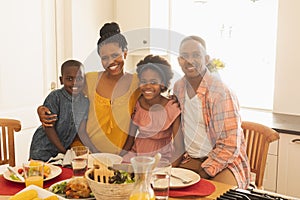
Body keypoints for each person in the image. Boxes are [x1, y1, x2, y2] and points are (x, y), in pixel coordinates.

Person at [37, 22, 140, 154]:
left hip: (118, 155)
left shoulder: (137, 82)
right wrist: (41, 109)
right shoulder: (90, 79)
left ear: (125, 53)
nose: (110, 62)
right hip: (86, 152)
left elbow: (158, 96)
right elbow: (64, 93)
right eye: (104, 58)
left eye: (115, 55)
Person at [173, 35, 250, 188]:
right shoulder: (178, 87)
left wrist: (203, 174)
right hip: (192, 159)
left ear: (206, 58)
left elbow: (229, 145)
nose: (189, 60)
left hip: (224, 162)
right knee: (169, 191)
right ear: (179, 60)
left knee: (216, 194)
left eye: (196, 55)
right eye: (184, 56)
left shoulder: (220, 92)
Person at [121, 54, 183, 164]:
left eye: (154, 82)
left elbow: (179, 147)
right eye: (144, 81)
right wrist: (119, 158)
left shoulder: (172, 108)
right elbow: (130, 139)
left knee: (154, 178)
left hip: (161, 158)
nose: (148, 86)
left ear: (163, 84)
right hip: (137, 154)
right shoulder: (137, 104)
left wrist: (171, 170)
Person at [29, 60, 89, 162]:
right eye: (69, 79)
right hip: (43, 149)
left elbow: (81, 131)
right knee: (40, 174)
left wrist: (91, 150)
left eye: (79, 79)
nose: (75, 83)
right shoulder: (55, 97)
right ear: (61, 80)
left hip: (62, 152)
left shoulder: (85, 102)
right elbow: (49, 127)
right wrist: (63, 151)